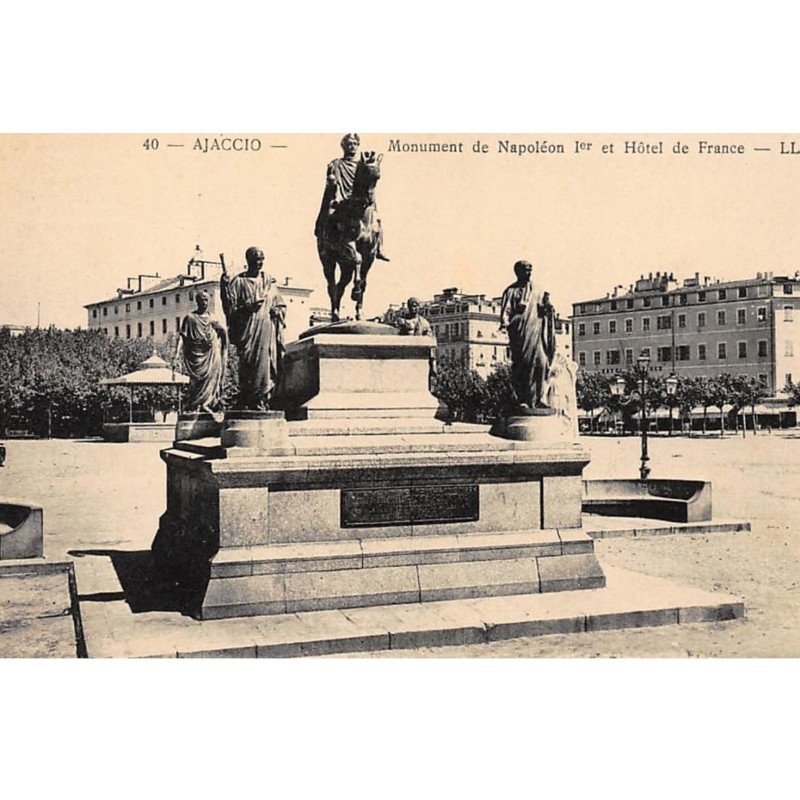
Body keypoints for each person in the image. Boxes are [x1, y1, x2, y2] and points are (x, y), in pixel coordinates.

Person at [220, 247, 286, 410]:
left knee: (265, 364)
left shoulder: (268, 281)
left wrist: (277, 310)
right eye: (257, 259)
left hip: (266, 329)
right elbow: (230, 308)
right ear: (248, 261)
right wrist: (225, 289)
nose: (260, 262)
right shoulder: (238, 282)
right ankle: (248, 399)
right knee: (248, 363)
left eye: (262, 259)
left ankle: (262, 399)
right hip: (247, 331)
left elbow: (280, 303)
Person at [315, 133, 390, 261]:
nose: (352, 146)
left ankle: (379, 249)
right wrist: (332, 183)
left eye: (355, 144)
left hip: (360, 200)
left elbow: (369, 184)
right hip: (342, 200)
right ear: (344, 146)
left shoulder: (362, 164)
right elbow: (332, 184)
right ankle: (326, 241)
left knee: (377, 219)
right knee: (329, 215)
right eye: (349, 144)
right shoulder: (337, 164)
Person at [499, 260, 555, 410]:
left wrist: (547, 309)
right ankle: (523, 399)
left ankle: (540, 398)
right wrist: (506, 324)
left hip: (537, 333)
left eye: (531, 270)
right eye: (526, 270)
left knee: (542, 364)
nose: (529, 273)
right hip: (520, 334)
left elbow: (545, 309)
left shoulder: (538, 289)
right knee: (524, 366)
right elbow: (505, 313)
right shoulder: (510, 291)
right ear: (518, 272)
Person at [175, 290, 227, 412]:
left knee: (212, 377)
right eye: (201, 300)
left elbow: (222, 332)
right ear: (197, 301)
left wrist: (223, 332)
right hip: (196, 355)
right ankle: (196, 405)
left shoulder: (212, 318)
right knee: (197, 381)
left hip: (212, 353)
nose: (204, 302)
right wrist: (176, 354)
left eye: (206, 300)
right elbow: (182, 337)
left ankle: (208, 404)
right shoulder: (190, 318)